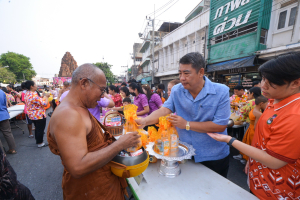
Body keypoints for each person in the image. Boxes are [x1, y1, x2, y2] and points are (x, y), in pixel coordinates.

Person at [207, 53, 300, 199]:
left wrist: (230, 140)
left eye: (271, 82)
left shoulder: (295, 115)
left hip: (278, 189)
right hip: (259, 179)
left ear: (295, 83)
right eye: (263, 79)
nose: (263, 85)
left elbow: (274, 162)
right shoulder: (274, 100)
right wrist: (252, 160)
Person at [47, 64, 140, 199]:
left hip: (102, 185)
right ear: (84, 83)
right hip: (89, 192)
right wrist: (120, 145)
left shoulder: (80, 108)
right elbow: (78, 167)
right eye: (101, 90)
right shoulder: (68, 115)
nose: (103, 95)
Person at [136, 52, 231, 177]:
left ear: (201, 72)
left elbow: (219, 126)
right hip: (185, 153)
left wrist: (186, 124)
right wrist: (145, 121)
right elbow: (165, 110)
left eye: (186, 73)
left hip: (214, 155)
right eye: (180, 73)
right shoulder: (177, 90)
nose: (182, 78)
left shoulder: (221, 91)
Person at [239, 95, 268, 163]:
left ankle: (245, 159)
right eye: (266, 104)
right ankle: (249, 161)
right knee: (252, 146)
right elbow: (256, 127)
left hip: (249, 129)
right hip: (254, 131)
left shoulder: (253, 110)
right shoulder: (259, 114)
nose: (267, 106)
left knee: (247, 143)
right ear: (261, 104)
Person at [24, 81, 49, 147]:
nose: (36, 85)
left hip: (32, 115)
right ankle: (40, 143)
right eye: (35, 84)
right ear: (31, 86)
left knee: (37, 128)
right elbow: (45, 104)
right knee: (40, 129)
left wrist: (42, 97)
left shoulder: (27, 93)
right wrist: (46, 97)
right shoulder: (33, 95)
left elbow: (36, 102)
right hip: (39, 115)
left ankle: (38, 141)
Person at [0, 89, 17, 154]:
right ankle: (12, 149)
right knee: (8, 132)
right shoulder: (1, 92)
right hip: (4, 114)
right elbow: (6, 103)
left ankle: (2, 154)